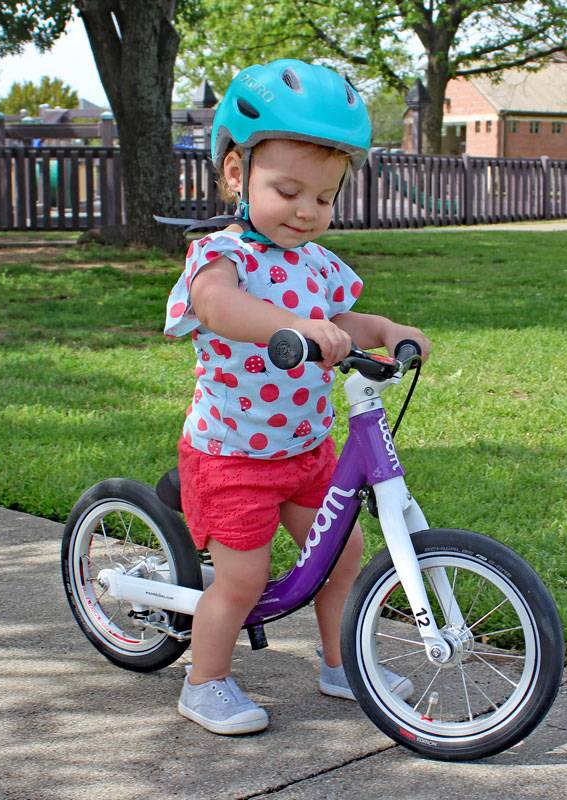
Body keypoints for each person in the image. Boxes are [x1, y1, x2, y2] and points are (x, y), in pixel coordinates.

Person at [162, 59, 432, 736]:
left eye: (324, 197)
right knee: (243, 578)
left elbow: (346, 325)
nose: (308, 211)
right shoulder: (223, 257)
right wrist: (288, 326)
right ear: (235, 175)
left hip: (307, 450)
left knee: (342, 559)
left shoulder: (318, 266)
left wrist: (388, 331)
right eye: (289, 191)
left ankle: (343, 663)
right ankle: (205, 682)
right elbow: (218, 307)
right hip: (232, 455)